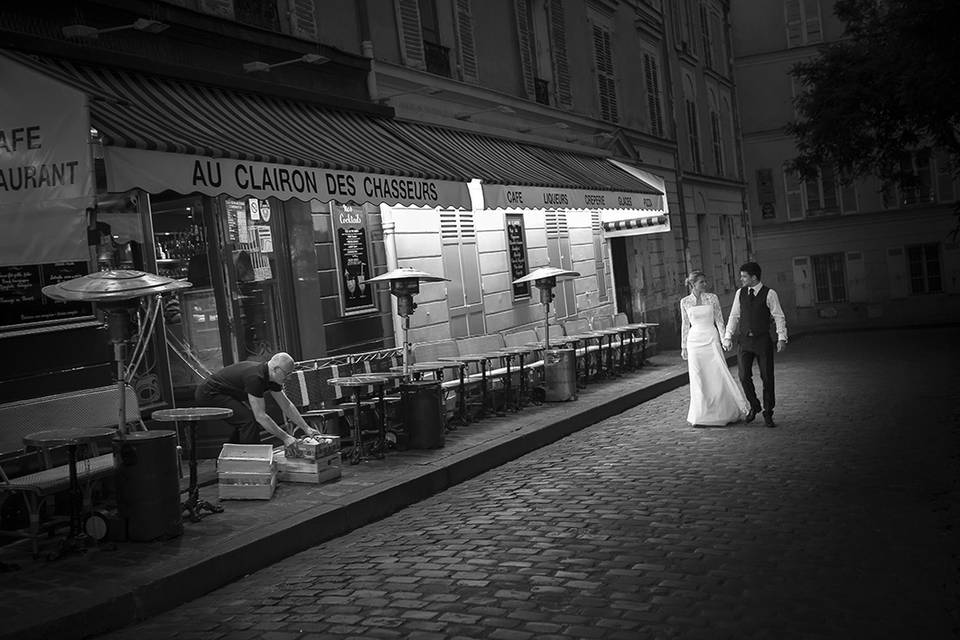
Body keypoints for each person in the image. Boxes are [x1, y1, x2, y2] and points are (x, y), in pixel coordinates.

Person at [195, 352, 321, 449]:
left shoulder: (272, 378)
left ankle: (229, 460)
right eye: (287, 374)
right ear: (276, 369)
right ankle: (252, 463)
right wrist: (286, 437)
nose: (288, 378)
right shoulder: (255, 378)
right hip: (209, 393)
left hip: (225, 393)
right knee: (248, 421)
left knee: (245, 421)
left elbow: (286, 405)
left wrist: (306, 428)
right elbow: (260, 416)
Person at [722, 262, 788, 428]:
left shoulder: (770, 293)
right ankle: (754, 405)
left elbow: (778, 316)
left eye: (744, 276)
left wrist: (781, 337)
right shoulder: (740, 293)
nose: (741, 279)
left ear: (754, 277)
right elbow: (734, 316)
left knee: (767, 377)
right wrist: (728, 336)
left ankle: (768, 412)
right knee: (743, 376)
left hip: (762, 340)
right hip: (744, 341)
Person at [680, 271, 750, 426]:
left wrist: (725, 338)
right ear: (693, 284)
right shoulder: (685, 302)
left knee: (717, 373)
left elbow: (719, 320)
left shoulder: (712, 298)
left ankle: (722, 411)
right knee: (698, 377)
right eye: (701, 282)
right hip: (694, 342)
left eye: (705, 281)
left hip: (711, 338)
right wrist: (684, 346)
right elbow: (685, 325)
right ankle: (701, 415)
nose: (705, 284)